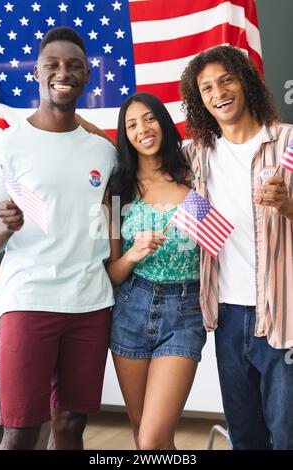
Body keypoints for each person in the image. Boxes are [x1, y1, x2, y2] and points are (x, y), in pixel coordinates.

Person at [0, 27, 116, 450]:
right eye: (53, 64)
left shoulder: (104, 151)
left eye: (74, 65)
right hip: (28, 301)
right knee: (20, 430)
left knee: (70, 424)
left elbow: (117, 218)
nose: (63, 72)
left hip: (90, 304)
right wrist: (5, 227)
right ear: (37, 72)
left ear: (87, 76)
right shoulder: (7, 147)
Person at [180, 45, 293, 450]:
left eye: (226, 80)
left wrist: (288, 205)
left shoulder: (287, 142)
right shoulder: (195, 157)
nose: (218, 92)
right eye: (206, 87)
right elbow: (131, 148)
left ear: (245, 82)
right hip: (226, 317)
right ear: (200, 100)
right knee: (245, 438)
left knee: (286, 436)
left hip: (283, 316)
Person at [104, 92, 206, 450]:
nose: (142, 129)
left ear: (162, 121)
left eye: (149, 119)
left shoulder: (195, 175)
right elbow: (114, 274)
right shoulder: (118, 190)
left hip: (185, 310)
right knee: (140, 431)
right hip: (131, 307)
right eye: (131, 125)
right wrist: (133, 252)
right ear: (124, 135)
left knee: (152, 438)